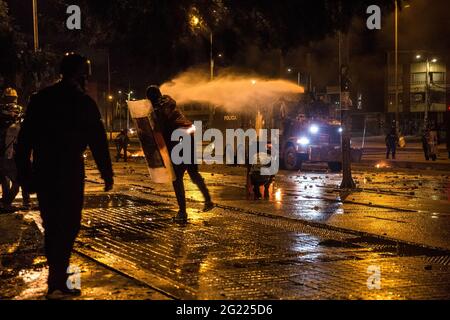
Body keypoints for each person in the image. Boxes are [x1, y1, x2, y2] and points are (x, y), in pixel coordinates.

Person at [15, 53, 114, 299]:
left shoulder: (41, 99)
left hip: (45, 169)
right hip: (69, 170)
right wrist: (106, 173)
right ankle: (59, 278)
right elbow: (98, 142)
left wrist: (25, 176)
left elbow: (24, 142)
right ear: (80, 75)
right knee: (69, 225)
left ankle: (56, 279)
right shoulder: (83, 103)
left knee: (52, 225)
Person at [146, 85, 213, 222]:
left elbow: (160, 129)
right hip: (188, 137)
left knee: (177, 178)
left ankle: (182, 212)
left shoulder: (159, 109)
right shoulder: (168, 100)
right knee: (193, 173)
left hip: (177, 141)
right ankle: (208, 200)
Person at [0, 88, 30, 212]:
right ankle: (5, 203)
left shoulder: (2, 114)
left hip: (3, 152)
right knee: (16, 182)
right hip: (11, 154)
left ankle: (5, 204)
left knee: (5, 181)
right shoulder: (19, 114)